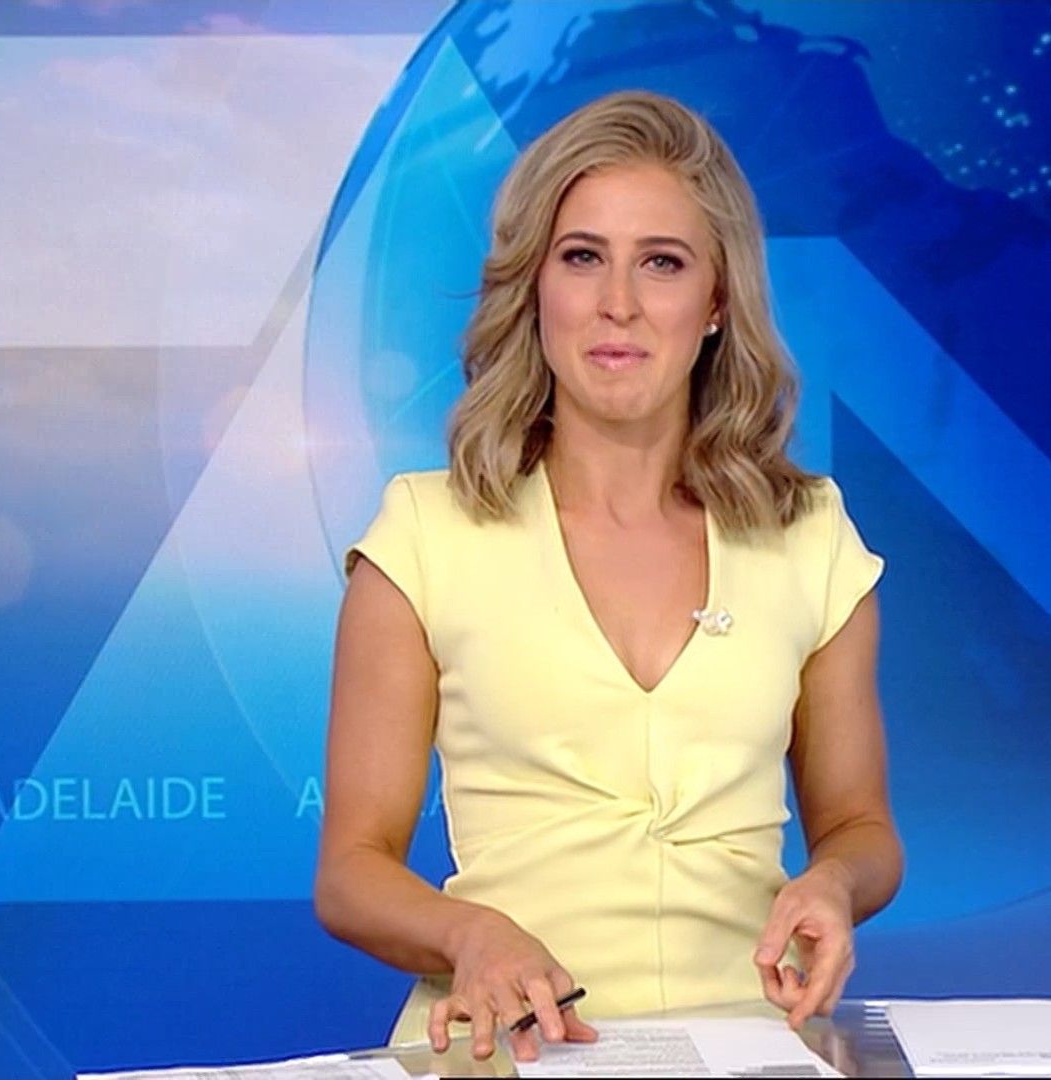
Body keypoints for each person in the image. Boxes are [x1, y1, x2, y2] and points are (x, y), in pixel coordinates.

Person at [311, 89, 901, 1064]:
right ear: (535, 287)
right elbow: (351, 871)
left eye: (661, 263)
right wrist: (471, 936)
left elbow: (861, 825)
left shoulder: (810, 536)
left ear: (716, 303)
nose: (617, 303)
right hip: (512, 1050)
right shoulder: (424, 535)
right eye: (582, 257)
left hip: (748, 1048)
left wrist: (833, 885)